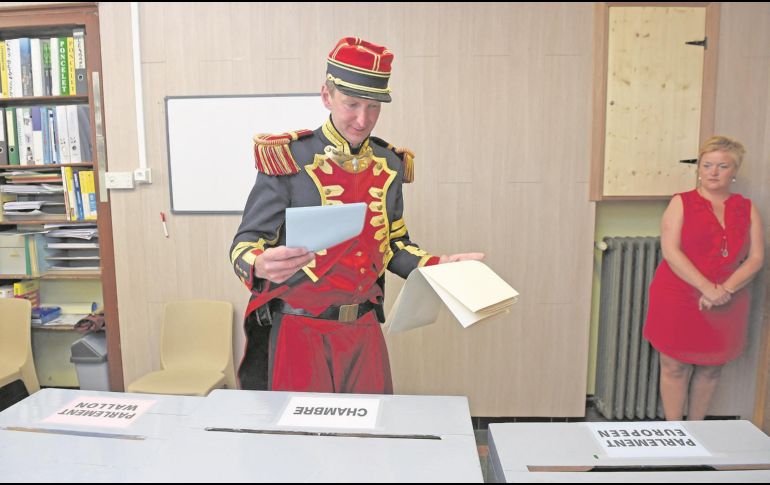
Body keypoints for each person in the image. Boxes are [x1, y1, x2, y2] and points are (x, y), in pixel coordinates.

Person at [230, 37, 483, 394]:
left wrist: (438, 265)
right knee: (303, 442)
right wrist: (258, 263)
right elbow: (245, 243)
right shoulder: (289, 158)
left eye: (374, 107)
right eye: (352, 104)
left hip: (363, 329)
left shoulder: (391, 163)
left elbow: (394, 245)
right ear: (326, 96)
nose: (363, 120)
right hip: (300, 332)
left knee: (370, 439)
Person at [643, 135, 765, 421]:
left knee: (711, 368)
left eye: (722, 166)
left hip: (729, 298)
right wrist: (707, 288)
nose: (712, 172)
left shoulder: (747, 208)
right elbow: (671, 252)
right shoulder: (681, 202)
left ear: (734, 171)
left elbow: (757, 258)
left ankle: (698, 432)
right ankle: (676, 434)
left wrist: (724, 290)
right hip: (679, 295)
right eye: (707, 165)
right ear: (698, 168)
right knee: (674, 366)